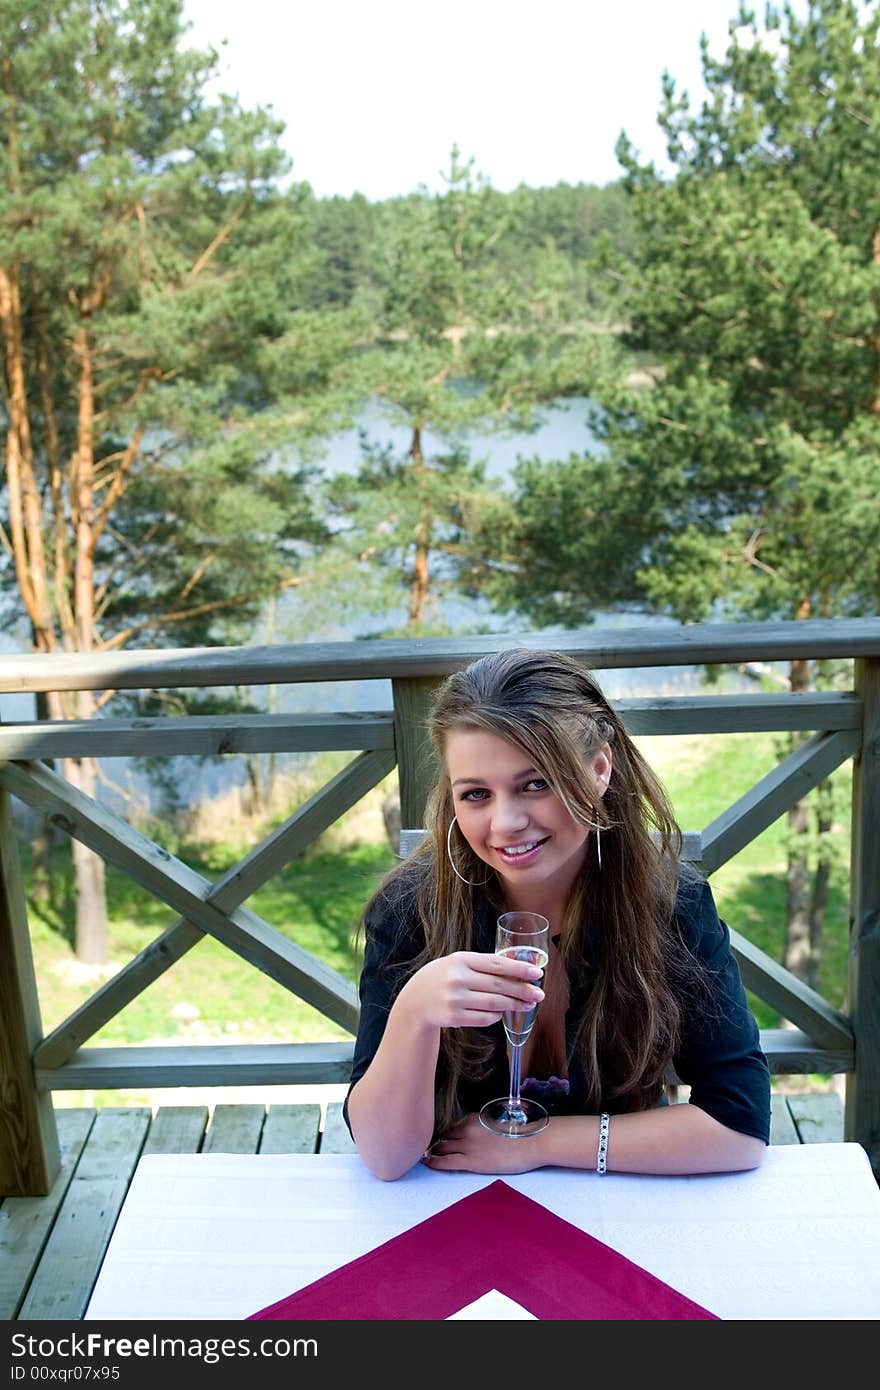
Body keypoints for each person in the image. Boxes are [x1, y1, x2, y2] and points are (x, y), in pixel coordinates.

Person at [345, 648, 771, 1182]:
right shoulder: (412, 909)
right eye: (476, 794)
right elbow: (386, 1159)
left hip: (624, 1211)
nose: (505, 823)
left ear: (598, 770)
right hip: (458, 1212)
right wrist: (415, 1012)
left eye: (536, 783)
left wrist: (538, 1143)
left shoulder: (671, 904)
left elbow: (739, 1128)